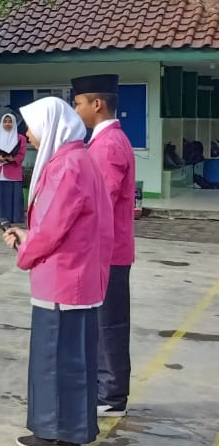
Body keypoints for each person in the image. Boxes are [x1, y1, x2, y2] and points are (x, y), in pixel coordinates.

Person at [2, 96, 111, 446]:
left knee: (52, 358)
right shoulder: (81, 160)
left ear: (50, 126)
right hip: (77, 276)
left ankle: (51, 432)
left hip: (62, 278)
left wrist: (25, 251)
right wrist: (27, 236)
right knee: (75, 359)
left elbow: (50, 229)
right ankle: (72, 433)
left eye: (31, 127)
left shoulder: (66, 166)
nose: (27, 135)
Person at [72, 74, 137, 418]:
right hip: (107, 249)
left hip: (108, 251)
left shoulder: (108, 145)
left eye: (79, 103)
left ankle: (112, 395)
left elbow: (102, 201)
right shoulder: (105, 141)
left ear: (96, 104)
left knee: (109, 322)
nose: (76, 109)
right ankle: (108, 389)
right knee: (105, 321)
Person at [0, 110, 26, 230]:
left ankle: (13, 220)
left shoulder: (20, 138)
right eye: (5, 121)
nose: (7, 124)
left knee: (13, 197)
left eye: (10, 121)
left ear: (14, 123)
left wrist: (12, 158)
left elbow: (21, 155)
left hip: (13, 172)